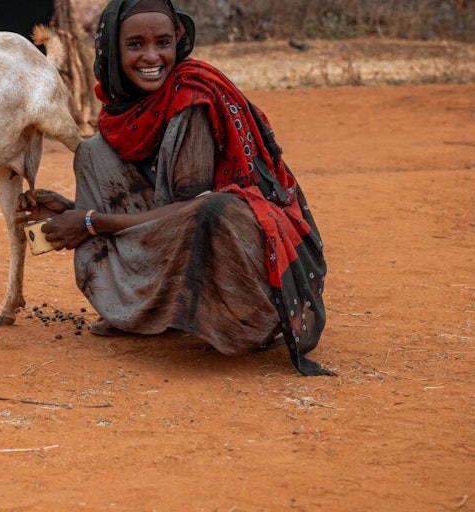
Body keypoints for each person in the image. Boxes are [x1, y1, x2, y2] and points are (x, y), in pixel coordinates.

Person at [17, 0, 332, 376]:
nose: (152, 56)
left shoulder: (191, 99)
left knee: (211, 210)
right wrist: (70, 211)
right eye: (135, 45)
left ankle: (236, 318)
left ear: (177, 43)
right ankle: (143, 313)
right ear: (112, 51)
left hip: (242, 254)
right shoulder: (124, 111)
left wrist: (88, 221)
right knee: (92, 154)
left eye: (162, 42)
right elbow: (159, 205)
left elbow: (192, 211)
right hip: (186, 226)